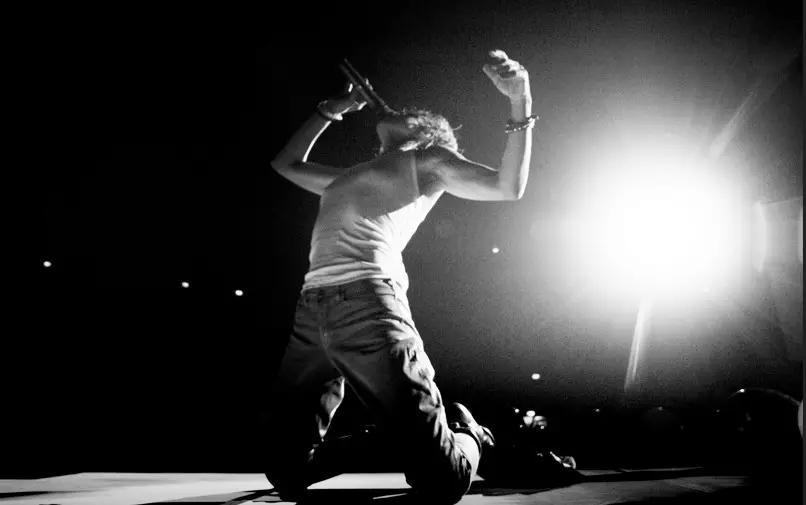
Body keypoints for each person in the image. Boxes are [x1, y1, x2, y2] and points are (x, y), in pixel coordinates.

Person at [266, 49, 536, 504]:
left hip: (369, 305)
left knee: (442, 481)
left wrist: (520, 100)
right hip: (312, 309)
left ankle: (468, 436)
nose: (397, 110)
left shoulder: (427, 160)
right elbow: (286, 164)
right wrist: (329, 111)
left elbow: (507, 187)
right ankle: (407, 436)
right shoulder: (348, 176)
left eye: (413, 113)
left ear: (427, 133)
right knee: (287, 473)